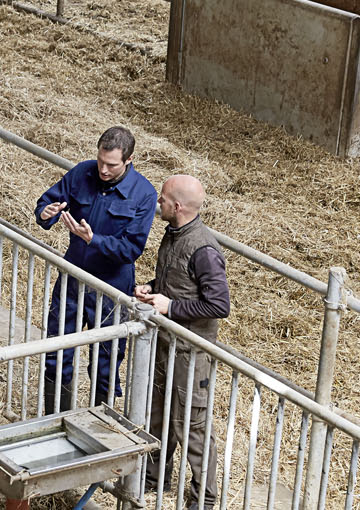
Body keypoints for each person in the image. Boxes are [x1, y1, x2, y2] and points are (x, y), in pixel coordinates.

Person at [34, 126, 157, 414]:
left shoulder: (143, 194)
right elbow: (47, 200)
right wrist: (45, 213)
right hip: (73, 278)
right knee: (57, 350)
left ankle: (98, 421)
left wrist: (93, 239)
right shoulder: (82, 173)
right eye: (100, 161)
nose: (102, 169)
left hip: (112, 287)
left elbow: (132, 249)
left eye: (111, 165)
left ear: (128, 159)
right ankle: (55, 417)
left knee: (107, 359)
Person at [135, 174, 228, 510]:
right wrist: (152, 287)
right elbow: (176, 282)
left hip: (191, 351)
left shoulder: (203, 248)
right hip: (167, 342)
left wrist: (171, 306)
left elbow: (219, 305)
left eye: (162, 198)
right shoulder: (173, 234)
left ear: (177, 206)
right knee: (158, 413)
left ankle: (203, 500)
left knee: (192, 425)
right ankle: (153, 477)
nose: (157, 202)